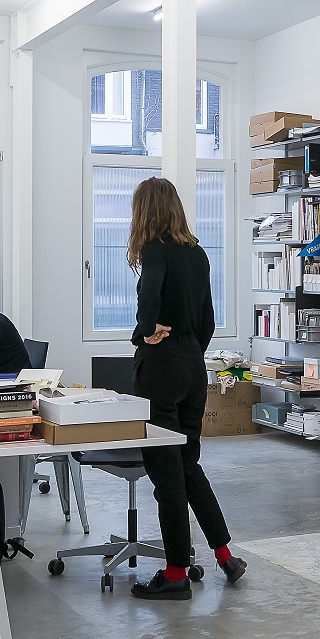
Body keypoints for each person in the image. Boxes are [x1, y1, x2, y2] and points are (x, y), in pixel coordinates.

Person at [125, 176, 245, 600]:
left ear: (146, 211)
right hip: (196, 364)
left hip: (162, 368)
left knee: (167, 477)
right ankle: (225, 553)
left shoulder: (155, 249)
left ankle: (175, 574)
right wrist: (190, 350)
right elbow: (209, 319)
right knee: (189, 465)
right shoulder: (197, 253)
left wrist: (145, 334)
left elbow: (150, 296)